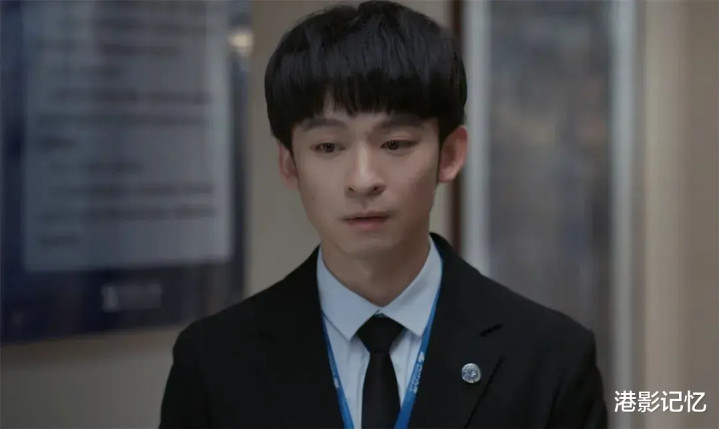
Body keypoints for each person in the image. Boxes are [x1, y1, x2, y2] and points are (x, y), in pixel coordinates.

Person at [160, 1, 608, 427]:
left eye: (395, 144)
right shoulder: (215, 363)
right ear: (290, 164)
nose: (363, 180)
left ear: (450, 155)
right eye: (328, 147)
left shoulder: (549, 360)